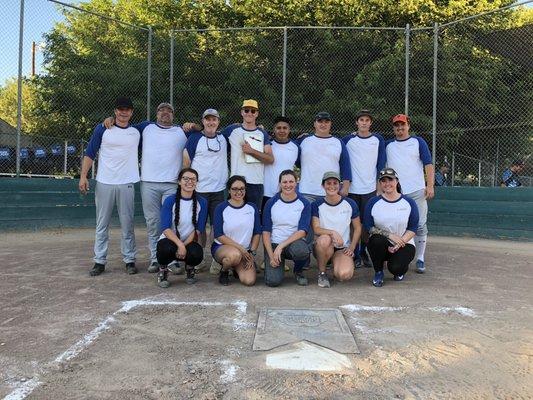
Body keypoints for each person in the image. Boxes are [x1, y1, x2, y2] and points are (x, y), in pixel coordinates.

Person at [103, 102, 188, 274]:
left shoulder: (181, 131)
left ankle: (170, 259)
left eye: (169, 111)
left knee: (170, 221)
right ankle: (156, 259)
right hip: (149, 183)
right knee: (153, 222)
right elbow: (123, 126)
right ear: (156, 114)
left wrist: (193, 125)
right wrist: (110, 119)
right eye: (161, 110)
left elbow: (205, 131)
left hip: (172, 184)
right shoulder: (145, 128)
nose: (165, 113)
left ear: (173, 115)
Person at [79, 97, 140, 276]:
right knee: (102, 223)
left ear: (131, 112)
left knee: (127, 223)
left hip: (127, 182)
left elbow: (158, 128)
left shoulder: (137, 131)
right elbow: (90, 152)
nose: (123, 112)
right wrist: (83, 176)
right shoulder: (103, 128)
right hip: (105, 181)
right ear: (115, 111)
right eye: (120, 109)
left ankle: (129, 260)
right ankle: (99, 261)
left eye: (127, 109)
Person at [385, 114, 434, 274]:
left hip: (416, 191)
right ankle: (395, 257)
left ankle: (420, 258)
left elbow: (428, 164)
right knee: (395, 227)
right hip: (396, 194)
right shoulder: (388, 145)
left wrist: (430, 185)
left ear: (408, 126)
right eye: (396, 125)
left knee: (419, 225)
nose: (400, 128)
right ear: (393, 128)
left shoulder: (418, 142)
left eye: (403, 125)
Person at [342, 109, 386, 268]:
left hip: (370, 190)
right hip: (352, 190)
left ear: (370, 123)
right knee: (353, 224)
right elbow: (342, 160)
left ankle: (364, 253)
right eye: (361, 120)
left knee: (367, 224)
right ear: (357, 122)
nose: (364, 123)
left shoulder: (378, 139)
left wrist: (379, 186)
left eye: (367, 120)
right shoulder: (347, 140)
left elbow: (381, 163)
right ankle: (353, 253)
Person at [364, 168, 419, 287]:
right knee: (375, 240)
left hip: (404, 243)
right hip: (382, 243)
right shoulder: (373, 202)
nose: (387, 183)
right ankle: (378, 271)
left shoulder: (409, 202)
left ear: (397, 181)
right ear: (380, 183)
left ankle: (399, 267)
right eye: (383, 181)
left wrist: (400, 242)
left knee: (396, 268)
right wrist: (390, 235)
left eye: (390, 179)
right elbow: (368, 226)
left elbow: (413, 227)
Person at [156, 168, 208, 288]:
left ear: (197, 182)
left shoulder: (202, 202)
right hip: (171, 240)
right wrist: (179, 245)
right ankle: (163, 269)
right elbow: (165, 228)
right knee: (165, 249)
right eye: (185, 179)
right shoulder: (170, 200)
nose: (190, 182)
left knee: (197, 253)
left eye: (193, 179)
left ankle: (190, 267)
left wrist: (184, 246)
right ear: (179, 182)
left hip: (188, 241)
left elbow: (198, 230)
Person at [183, 109, 228, 245]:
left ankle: (216, 256)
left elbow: (242, 128)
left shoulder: (223, 138)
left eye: (214, 119)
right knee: (199, 226)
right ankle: (199, 257)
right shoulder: (194, 138)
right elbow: (186, 162)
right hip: (199, 190)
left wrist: (260, 127)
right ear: (203, 121)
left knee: (216, 225)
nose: (211, 122)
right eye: (208, 119)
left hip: (218, 190)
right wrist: (187, 186)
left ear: (218, 122)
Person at [219, 100, 274, 210]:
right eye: (246, 110)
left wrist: (252, 151)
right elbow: (214, 136)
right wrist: (193, 128)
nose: (249, 113)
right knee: (234, 215)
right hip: (236, 181)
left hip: (256, 182)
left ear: (257, 114)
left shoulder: (262, 133)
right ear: (242, 112)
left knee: (253, 217)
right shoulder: (231, 130)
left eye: (253, 111)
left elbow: (270, 159)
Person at [311, 171, 362, 288]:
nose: (332, 186)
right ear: (323, 186)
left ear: (340, 185)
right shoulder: (317, 204)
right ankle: (322, 273)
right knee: (324, 239)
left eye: (335, 183)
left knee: (344, 275)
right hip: (323, 246)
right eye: (328, 183)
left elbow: (358, 227)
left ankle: (336, 264)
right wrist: (333, 233)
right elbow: (316, 229)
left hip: (342, 248)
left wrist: (352, 247)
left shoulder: (350, 203)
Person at [262, 170, 312, 287]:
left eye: (291, 181)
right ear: (280, 184)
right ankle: (277, 265)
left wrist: (281, 245)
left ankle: (298, 271)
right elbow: (266, 232)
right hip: (274, 244)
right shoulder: (271, 202)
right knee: (272, 282)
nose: (288, 185)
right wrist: (271, 255)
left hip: (293, 243)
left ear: (296, 183)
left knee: (301, 251)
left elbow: (302, 231)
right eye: (284, 182)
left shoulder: (304, 203)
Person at [212, 176, 261, 286]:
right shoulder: (221, 207)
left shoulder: (252, 207)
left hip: (245, 251)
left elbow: (257, 233)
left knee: (249, 281)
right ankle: (224, 271)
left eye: (242, 189)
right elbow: (219, 235)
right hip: (223, 248)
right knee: (234, 255)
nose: (239, 192)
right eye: (234, 189)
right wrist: (241, 249)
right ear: (229, 190)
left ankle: (235, 268)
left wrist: (251, 253)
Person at [298, 112, 351, 203]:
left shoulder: (338, 142)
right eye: (320, 121)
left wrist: (345, 187)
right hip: (306, 191)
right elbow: (295, 160)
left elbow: (345, 166)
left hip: (331, 191)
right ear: (314, 124)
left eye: (326, 122)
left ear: (330, 124)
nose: (323, 124)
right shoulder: (303, 141)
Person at [262, 116, 300, 211]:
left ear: (289, 130)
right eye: (278, 128)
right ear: (274, 130)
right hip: (266, 193)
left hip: (286, 193)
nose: (281, 130)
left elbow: (301, 165)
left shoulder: (296, 147)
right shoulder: (267, 145)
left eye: (285, 128)